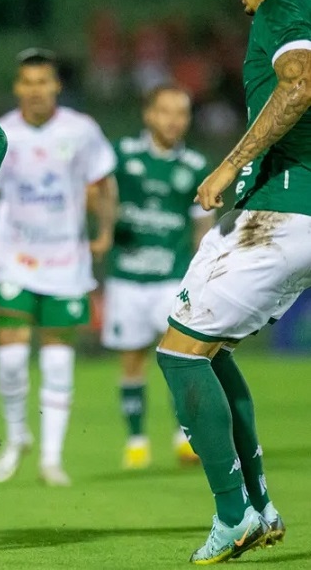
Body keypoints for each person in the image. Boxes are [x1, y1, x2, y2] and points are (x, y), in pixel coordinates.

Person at [155, 0, 311, 563]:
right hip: (270, 214)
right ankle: (260, 504)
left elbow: (299, 88)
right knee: (207, 351)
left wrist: (228, 164)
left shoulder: (283, 11)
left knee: (178, 356)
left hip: (281, 215)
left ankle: (233, 515)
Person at [0, 48, 118, 487]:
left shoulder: (82, 130)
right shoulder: (1, 134)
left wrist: (104, 229)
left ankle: (52, 458)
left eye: (43, 82)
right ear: (18, 87)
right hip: (13, 258)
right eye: (27, 83)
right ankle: (17, 436)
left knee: (57, 360)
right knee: (12, 357)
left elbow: (102, 182)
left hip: (66, 261)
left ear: (56, 86)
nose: (35, 90)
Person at [101, 85, 216, 470]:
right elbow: (99, 197)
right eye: (165, 111)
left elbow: (203, 224)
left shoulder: (197, 165)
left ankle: (185, 438)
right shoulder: (121, 155)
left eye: (181, 113)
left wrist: (203, 276)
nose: (173, 120)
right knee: (132, 359)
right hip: (127, 276)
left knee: (180, 357)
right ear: (148, 114)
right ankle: (136, 441)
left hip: (173, 277)